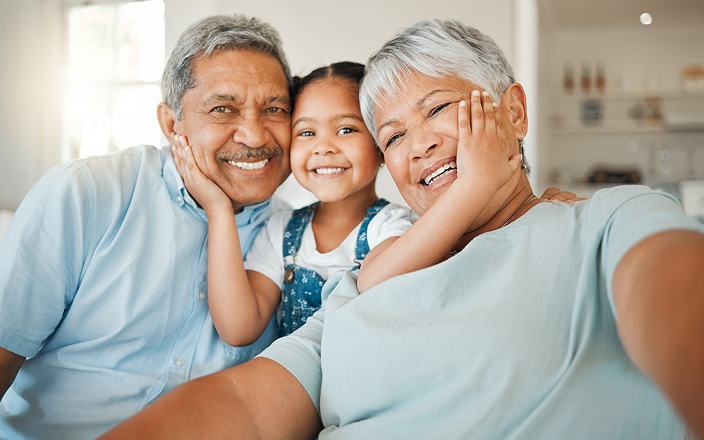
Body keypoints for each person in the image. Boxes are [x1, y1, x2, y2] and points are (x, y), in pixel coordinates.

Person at [100, 18, 704, 440]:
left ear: (514, 112)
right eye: (392, 136)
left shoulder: (604, 221)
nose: (417, 147)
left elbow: (674, 294)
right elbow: (246, 407)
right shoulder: (359, 280)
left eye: (440, 109)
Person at [0, 14, 294, 439]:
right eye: (223, 109)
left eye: (275, 109)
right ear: (172, 124)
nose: (253, 134)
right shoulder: (85, 194)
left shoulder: (294, 233)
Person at [171, 61, 526, 346]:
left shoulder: (396, 226)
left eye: (346, 130)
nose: (323, 147)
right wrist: (219, 210)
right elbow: (238, 328)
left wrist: (474, 185)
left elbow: (379, 277)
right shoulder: (281, 231)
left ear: (382, 145)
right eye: (306, 133)